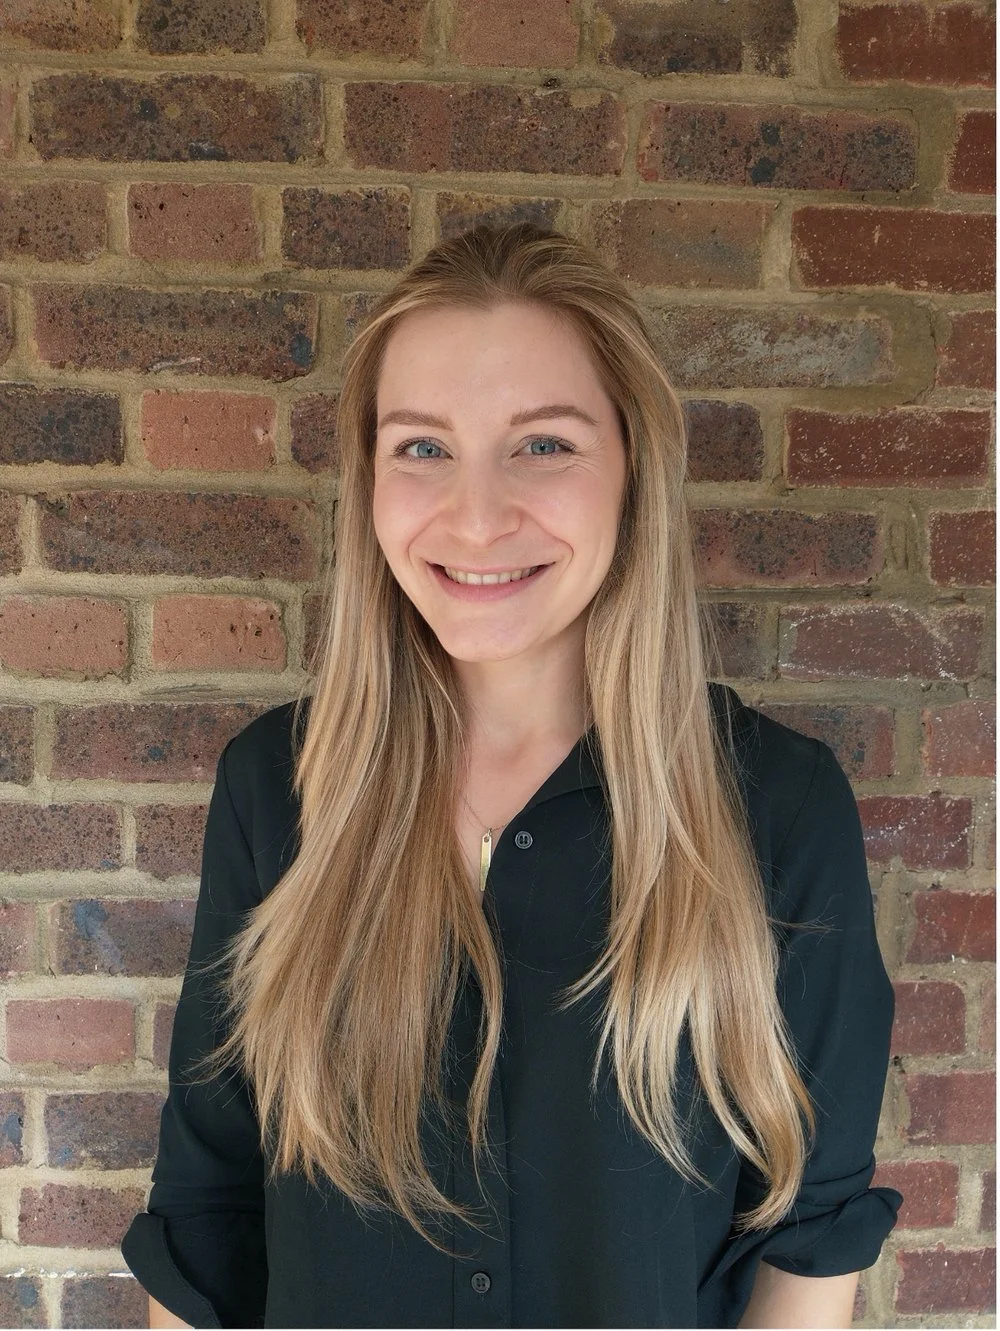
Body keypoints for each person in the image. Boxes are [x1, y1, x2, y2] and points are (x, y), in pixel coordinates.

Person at [120, 222, 901, 1329]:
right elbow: (207, 1209)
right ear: (368, 477)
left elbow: (810, 1231)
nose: (476, 516)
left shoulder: (773, 805)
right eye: (422, 447)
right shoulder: (278, 787)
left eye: (542, 444)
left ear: (634, 465)